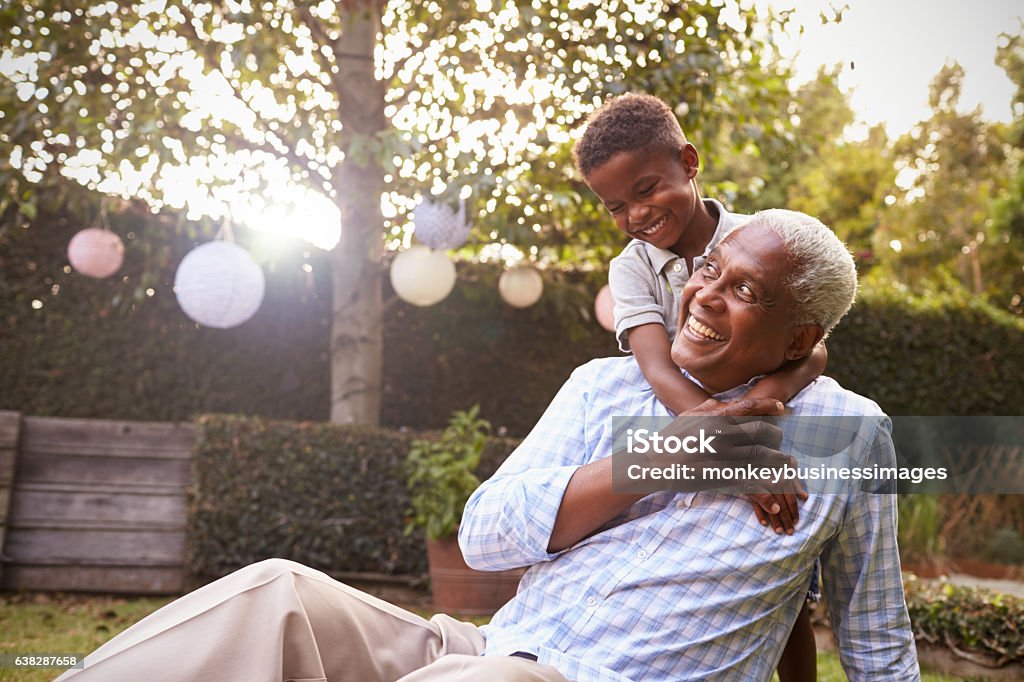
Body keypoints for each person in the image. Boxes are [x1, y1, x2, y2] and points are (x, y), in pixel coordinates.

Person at [57, 210, 919, 682]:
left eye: (745, 289)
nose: (704, 294)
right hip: (490, 648)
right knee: (272, 596)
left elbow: (875, 637)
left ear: (800, 331)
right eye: (708, 268)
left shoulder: (850, 436)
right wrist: (657, 457)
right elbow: (484, 535)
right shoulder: (603, 385)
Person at [574, 92, 823, 679]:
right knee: (697, 570)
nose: (635, 215)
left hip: (765, 425)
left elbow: (815, 351)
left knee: (781, 589)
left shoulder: (759, 239)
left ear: (689, 163)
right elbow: (658, 369)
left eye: (646, 189)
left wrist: (761, 410)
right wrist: (731, 455)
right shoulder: (631, 268)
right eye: (615, 206)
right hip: (682, 431)